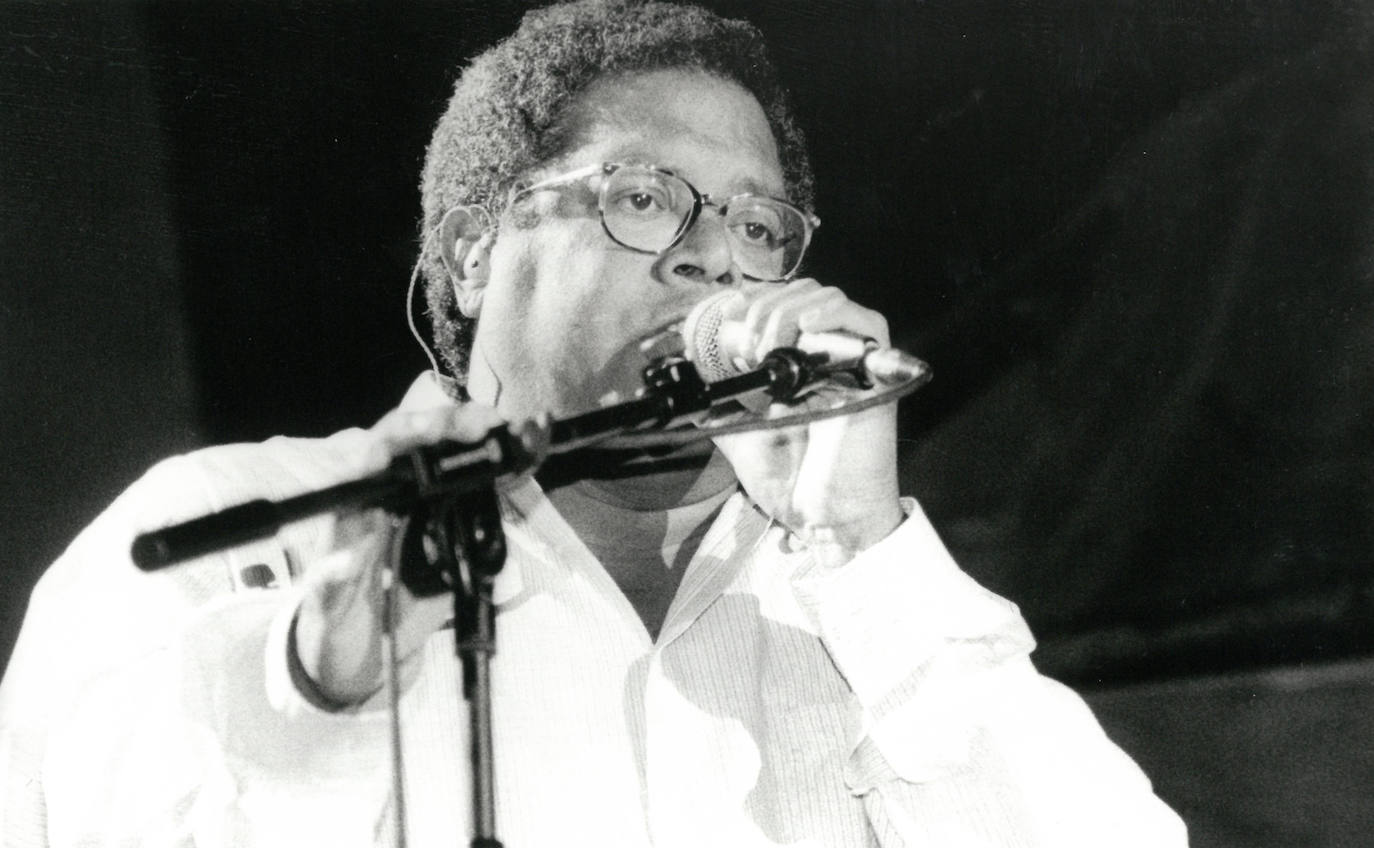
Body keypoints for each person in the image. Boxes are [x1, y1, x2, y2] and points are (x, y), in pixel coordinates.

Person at [0, 1, 1188, 845]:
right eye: (643, 197)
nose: (718, 257)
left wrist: (867, 553)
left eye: (759, 225)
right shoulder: (227, 531)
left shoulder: (858, 602)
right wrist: (313, 690)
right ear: (473, 250)